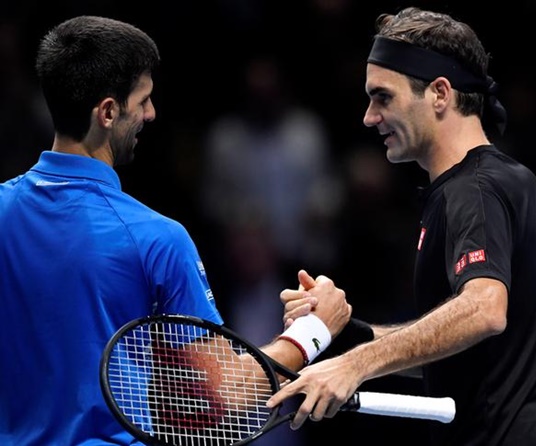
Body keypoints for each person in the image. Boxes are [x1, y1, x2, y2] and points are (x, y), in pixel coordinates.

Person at [0, 16, 350, 445]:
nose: (151, 113)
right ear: (107, 112)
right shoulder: (156, 238)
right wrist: (314, 331)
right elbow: (226, 396)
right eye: (142, 100)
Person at [268, 7, 536, 446]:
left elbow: (484, 309)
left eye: (383, 97)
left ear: (440, 93)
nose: (369, 117)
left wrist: (356, 365)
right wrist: (351, 333)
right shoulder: (486, 183)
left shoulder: (476, 189)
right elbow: (461, 342)